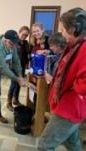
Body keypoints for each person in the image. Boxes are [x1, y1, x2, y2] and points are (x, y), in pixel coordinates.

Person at [38, 7, 86, 151]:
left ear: (73, 29)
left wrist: (73, 86)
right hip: (67, 106)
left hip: (69, 108)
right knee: (72, 143)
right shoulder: (75, 44)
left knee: (44, 145)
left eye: (63, 30)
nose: (62, 33)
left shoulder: (84, 47)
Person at [7, 26, 30, 111]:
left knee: (19, 84)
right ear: (19, 33)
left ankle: (15, 100)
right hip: (14, 67)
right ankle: (9, 103)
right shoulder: (14, 43)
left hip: (22, 66)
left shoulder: (26, 43)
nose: (24, 36)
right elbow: (9, 55)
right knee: (13, 84)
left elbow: (27, 55)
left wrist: (27, 64)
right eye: (23, 34)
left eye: (26, 35)